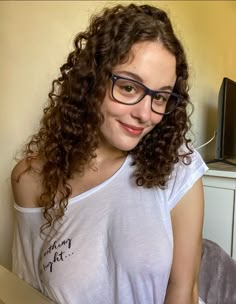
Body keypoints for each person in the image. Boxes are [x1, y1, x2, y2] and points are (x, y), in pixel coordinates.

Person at [11, 3, 208, 304]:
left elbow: (184, 291)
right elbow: (27, 291)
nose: (145, 114)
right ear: (93, 79)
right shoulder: (31, 179)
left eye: (160, 97)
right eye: (129, 87)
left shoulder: (178, 164)